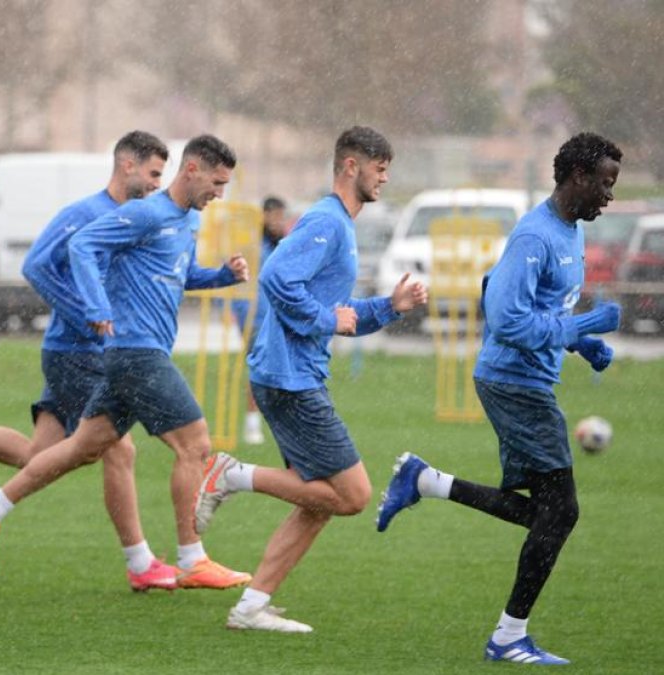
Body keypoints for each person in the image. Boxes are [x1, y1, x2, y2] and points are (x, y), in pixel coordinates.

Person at [0, 131, 197, 591]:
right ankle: (140, 563)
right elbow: (36, 265)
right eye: (154, 173)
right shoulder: (85, 213)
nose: (159, 184)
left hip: (95, 353)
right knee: (118, 448)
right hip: (75, 352)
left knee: (39, 455)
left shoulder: (138, 219)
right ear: (127, 165)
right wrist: (86, 314)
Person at [0, 135, 253, 590]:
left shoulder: (187, 221)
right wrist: (95, 307)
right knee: (194, 445)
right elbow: (82, 246)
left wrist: (221, 276)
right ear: (192, 169)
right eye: (216, 183)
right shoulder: (145, 213)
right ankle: (192, 559)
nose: (219, 193)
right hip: (136, 352)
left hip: (130, 354)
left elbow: (176, 276)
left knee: (84, 446)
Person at [375, 132, 623, 665]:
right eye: (604, 184)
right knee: (561, 512)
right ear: (578, 177)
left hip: (526, 380)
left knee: (549, 514)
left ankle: (426, 480)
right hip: (514, 382)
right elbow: (505, 316)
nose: (609, 196)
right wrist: (581, 326)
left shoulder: (571, 230)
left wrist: (581, 343)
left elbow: (541, 308)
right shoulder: (535, 235)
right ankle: (508, 637)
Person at [194, 126, 427, 633]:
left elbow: (342, 315)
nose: (385, 178)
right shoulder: (327, 221)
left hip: (291, 375)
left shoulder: (338, 224)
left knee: (316, 500)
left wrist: (390, 306)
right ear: (351, 166)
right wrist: (325, 319)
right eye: (379, 168)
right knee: (353, 495)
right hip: (290, 380)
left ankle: (250, 608)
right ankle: (230, 475)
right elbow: (277, 279)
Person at [233, 196, 288, 445]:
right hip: (256, 320)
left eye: (281, 216)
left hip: (280, 320)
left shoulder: (283, 246)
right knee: (260, 371)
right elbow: (240, 288)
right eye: (275, 216)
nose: (278, 221)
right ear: (264, 216)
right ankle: (252, 423)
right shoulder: (254, 248)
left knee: (280, 372)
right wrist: (243, 316)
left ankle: (275, 422)